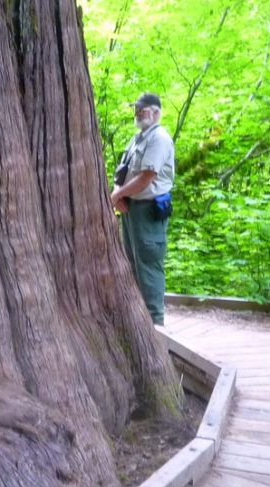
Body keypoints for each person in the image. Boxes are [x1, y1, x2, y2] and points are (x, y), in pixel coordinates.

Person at [110, 92, 175, 326]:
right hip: (132, 208)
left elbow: (148, 176)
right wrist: (119, 194)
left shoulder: (159, 138)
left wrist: (117, 195)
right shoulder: (138, 138)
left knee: (148, 262)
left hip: (149, 209)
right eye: (136, 109)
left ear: (156, 113)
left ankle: (155, 322)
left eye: (143, 110)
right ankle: (139, 320)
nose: (138, 113)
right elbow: (125, 170)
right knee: (132, 261)